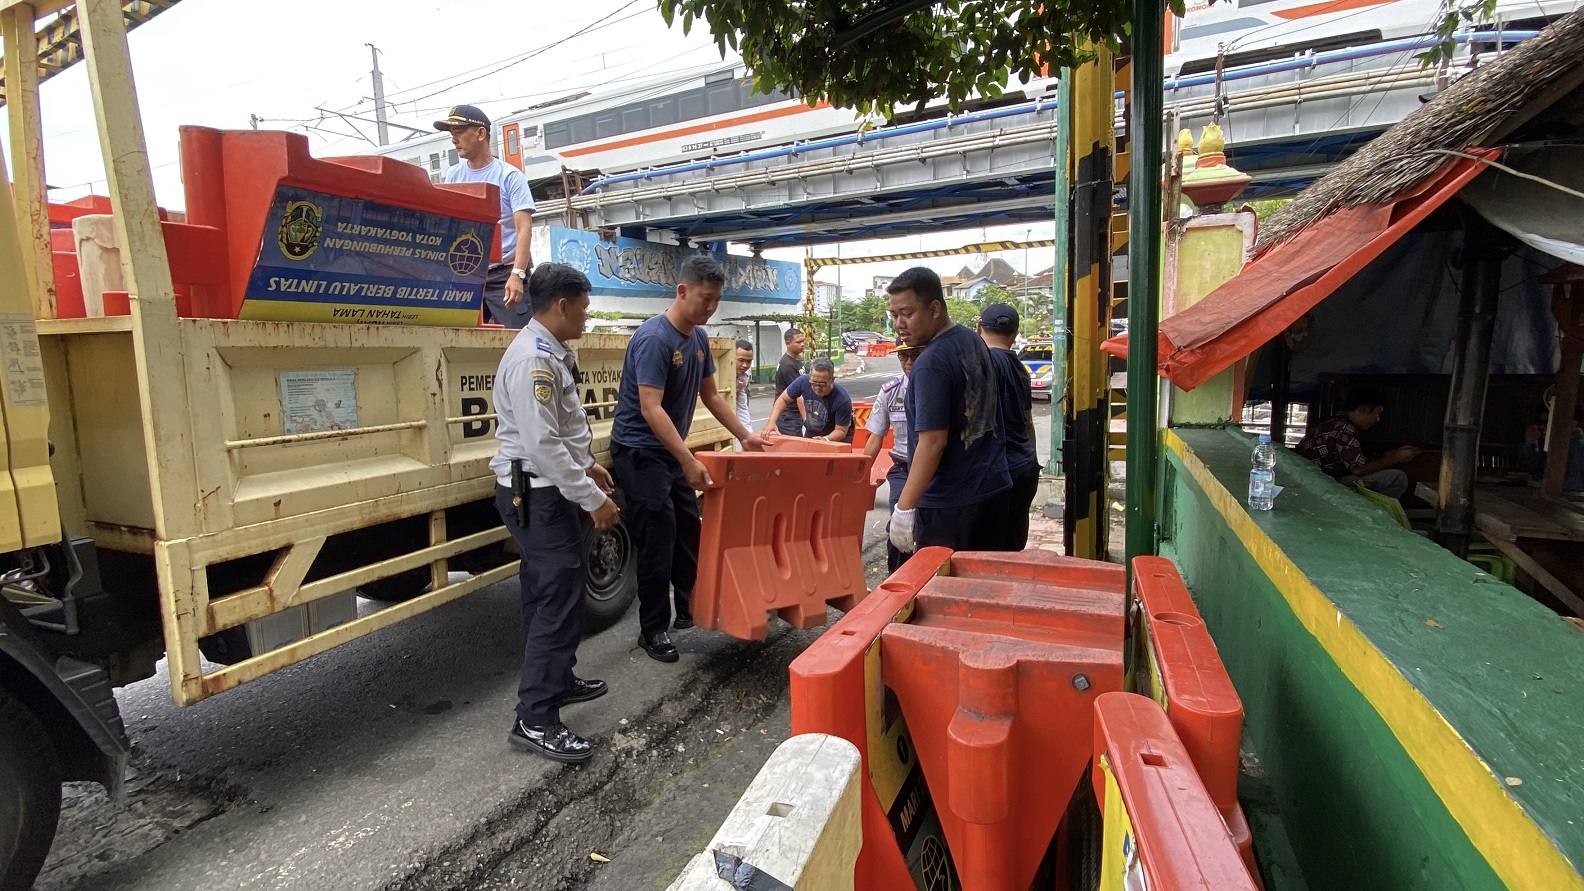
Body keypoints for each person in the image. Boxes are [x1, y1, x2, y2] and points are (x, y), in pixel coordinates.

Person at [489, 263, 619, 763]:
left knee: (548, 594)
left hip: (547, 491)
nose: (586, 320)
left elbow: (560, 430)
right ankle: (536, 718)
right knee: (558, 601)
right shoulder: (533, 361)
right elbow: (542, 446)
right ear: (561, 306)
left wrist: (588, 467)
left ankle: (556, 679)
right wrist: (594, 500)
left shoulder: (551, 350)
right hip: (539, 495)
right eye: (583, 311)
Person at [610, 256, 766, 662]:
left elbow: (711, 395)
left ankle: (688, 609)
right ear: (682, 291)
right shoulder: (653, 338)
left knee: (689, 530)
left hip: (669, 453)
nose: (710, 308)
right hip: (640, 452)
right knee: (658, 538)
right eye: (705, 299)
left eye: (716, 301)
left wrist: (745, 436)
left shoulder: (696, 338)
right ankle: (653, 630)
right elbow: (650, 408)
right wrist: (687, 459)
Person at [885, 267, 1011, 556]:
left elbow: (932, 442)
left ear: (934, 308)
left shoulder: (931, 362)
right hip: (993, 491)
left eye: (907, 313)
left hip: (950, 505)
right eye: (894, 315)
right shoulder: (971, 339)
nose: (899, 324)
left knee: (944, 593)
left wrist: (904, 508)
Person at [436, 104, 536, 329]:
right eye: (452, 134)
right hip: (466, 275)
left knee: (517, 339)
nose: (454, 140)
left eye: (460, 132)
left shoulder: (510, 176)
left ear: (481, 134)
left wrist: (517, 275)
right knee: (462, 340)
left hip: (503, 276)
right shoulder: (454, 175)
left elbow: (524, 228)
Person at [977, 303, 1039, 549]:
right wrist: (1031, 458)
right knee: (1013, 544)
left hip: (996, 473)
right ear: (1014, 333)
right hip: (1023, 466)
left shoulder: (983, 363)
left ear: (979, 328)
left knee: (989, 551)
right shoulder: (1021, 370)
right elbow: (1028, 422)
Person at [1295, 386, 1418, 498]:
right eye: (1377, 413)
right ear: (1362, 409)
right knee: (1398, 478)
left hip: (1309, 481)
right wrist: (1395, 458)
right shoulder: (1345, 429)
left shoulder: (1330, 422)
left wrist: (1387, 457)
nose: (1377, 419)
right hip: (1322, 484)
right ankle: (1374, 514)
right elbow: (1358, 470)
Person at [865, 344, 921, 571]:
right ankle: (897, 579)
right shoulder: (891, 392)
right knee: (899, 526)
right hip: (903, 468)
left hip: (937, 470)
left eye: (914, 356)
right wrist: (859, 475)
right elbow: (875, 438)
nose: (908, 362)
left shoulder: (943, 387)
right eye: (903, 356)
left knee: (932, 529)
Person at [761, 357, 854, 442]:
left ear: (832, 380)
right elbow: (783, 399)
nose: (817, 387)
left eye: (821, 384)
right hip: (813, 431)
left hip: (836, 438)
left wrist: (825, 439)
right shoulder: (803, 381)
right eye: (813, 382)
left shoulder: (842, 400)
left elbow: (841, 430)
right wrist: (771, 422)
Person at [1518, 405, 1584, 490]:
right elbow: (1540, 470)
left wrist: (1531, 482)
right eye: (1540, 423)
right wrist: (1531, 443)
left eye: (1548, 422)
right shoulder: (1559, 444)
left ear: (1573, 422)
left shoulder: (1578, 448)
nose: (1543, 427)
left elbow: (1573, 486)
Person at [773, 327, 808, 435]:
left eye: (803, 341)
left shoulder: (796, 360)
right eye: (798, 342)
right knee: (794, 448)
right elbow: (798, 395)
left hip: (793, 415)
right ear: (788, 344)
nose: (802, 344)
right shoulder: (788, 365)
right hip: (789, 416)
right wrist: (807, 421)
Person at [733, 339, 755, 431]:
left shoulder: (743, 377)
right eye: (741, 360)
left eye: (749, 361)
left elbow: (742, 406)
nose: (745, 365)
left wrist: (749, 434)